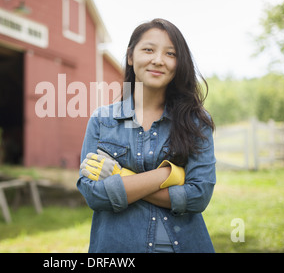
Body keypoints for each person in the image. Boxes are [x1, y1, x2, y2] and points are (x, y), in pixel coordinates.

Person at [77, 18, 216, 253]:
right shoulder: (102, 120)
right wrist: (169, 174)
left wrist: (120, 178)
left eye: (170, 54)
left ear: (179, 63)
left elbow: (198, 196)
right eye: (148, 50)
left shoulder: (196, 121)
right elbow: (94, 195)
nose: (158, 60)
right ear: (131, 57)